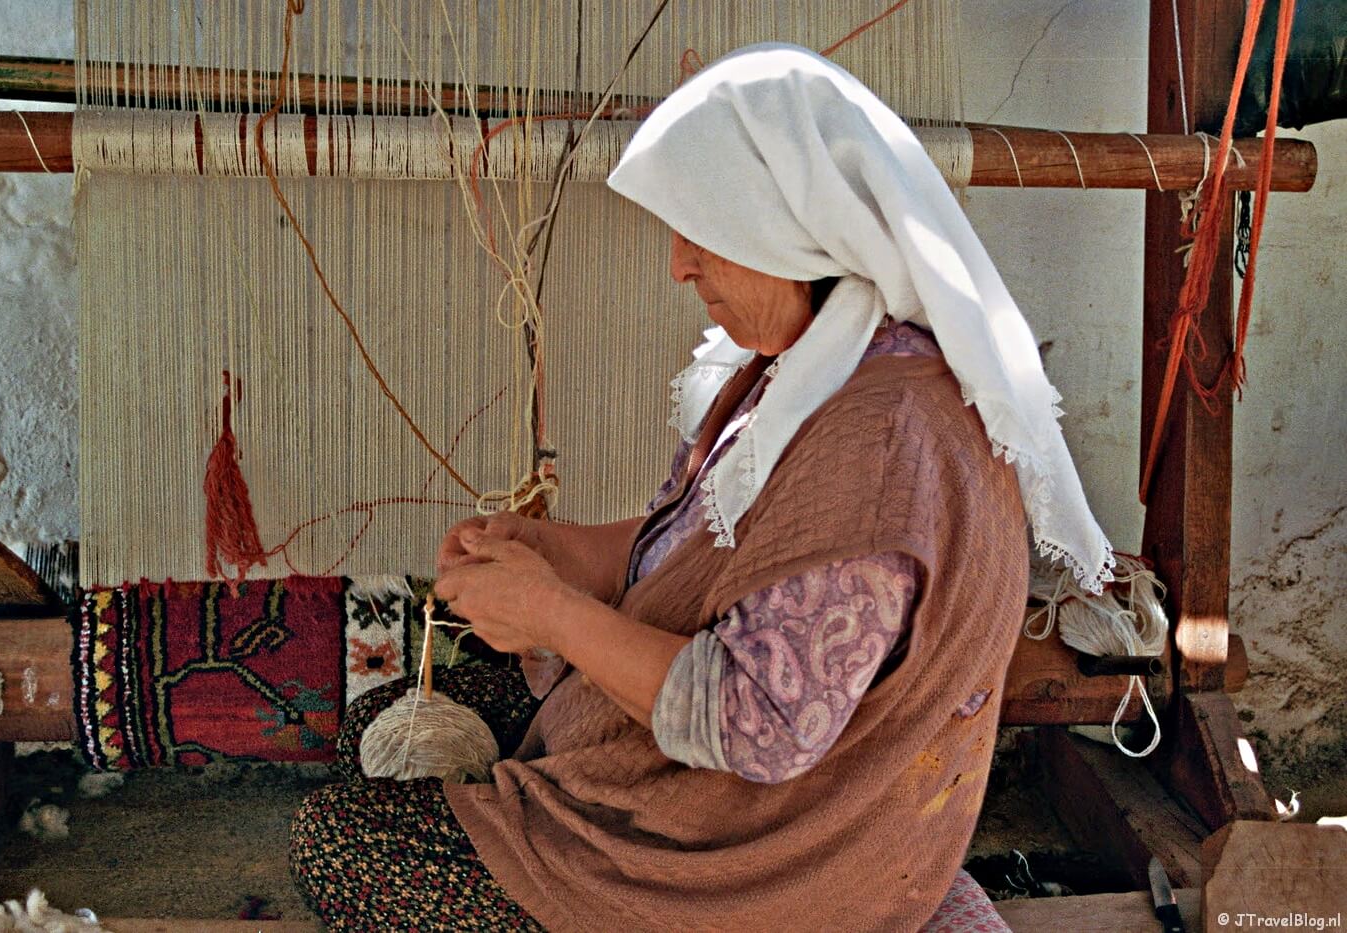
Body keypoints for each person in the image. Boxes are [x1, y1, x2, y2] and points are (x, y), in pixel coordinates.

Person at [290, 42, 1113, 931]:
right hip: (704, 789)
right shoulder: (817, 367)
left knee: (339, 840)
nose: (680, 266)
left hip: (760, 859)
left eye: (703, 233)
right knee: (381, 715)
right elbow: (702, 545)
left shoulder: (881, 444)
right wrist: (560, 555)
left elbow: (759, 722)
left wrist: (553, 615)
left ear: (791, 230)